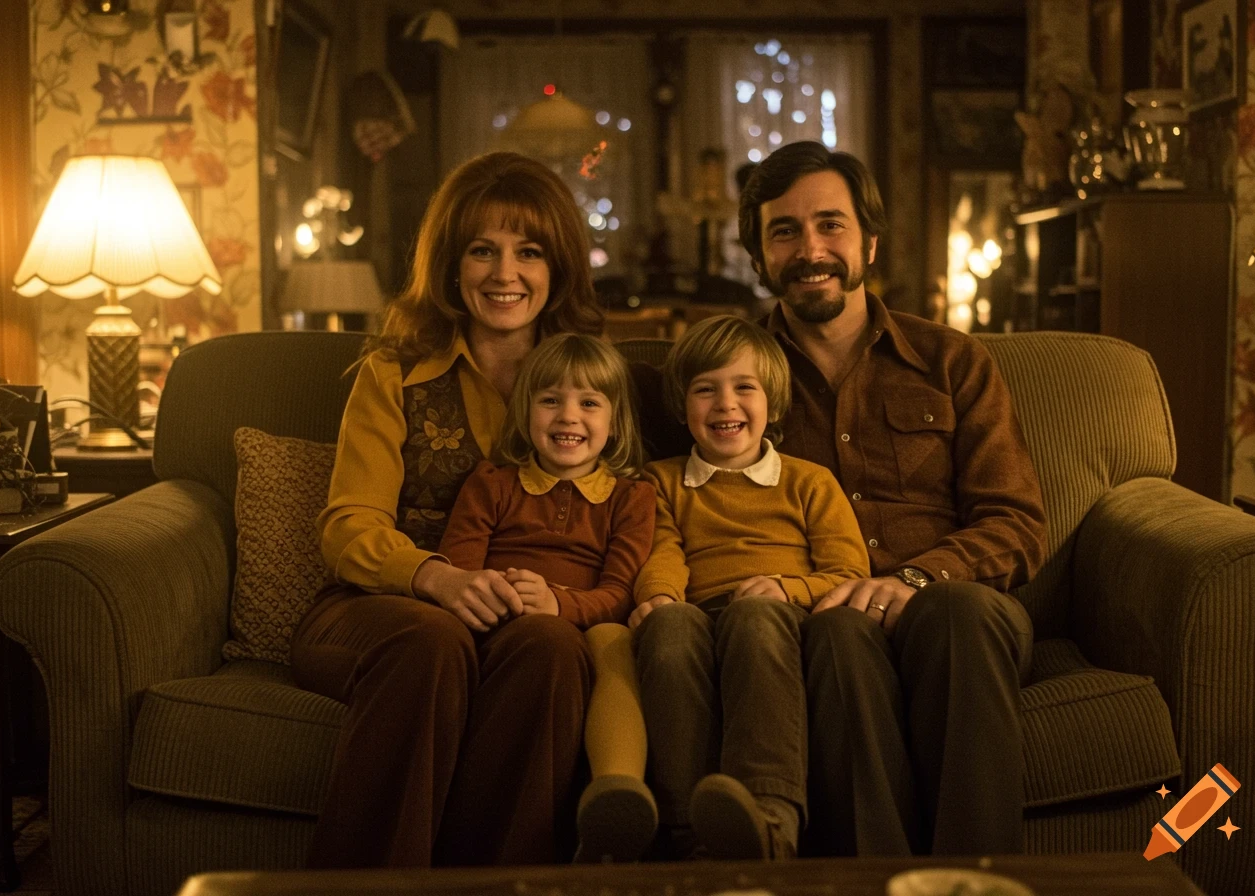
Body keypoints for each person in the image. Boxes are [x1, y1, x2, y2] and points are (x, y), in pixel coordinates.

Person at [289, 151, 605, 869]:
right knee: (433, 641)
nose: (505, 274)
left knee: (554, 650)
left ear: (556, 268)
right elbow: (348, 524)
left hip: (521, 616)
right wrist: (435, 577)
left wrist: (558, 598)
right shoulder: (394, 372)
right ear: (450, 264)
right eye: (482, 251)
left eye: (529, 252)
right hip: (380, 608)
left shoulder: (589, 384)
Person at [736, 140, 1048, 856]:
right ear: (759, 255)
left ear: (869, 243)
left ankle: (978, 878)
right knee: (838, 631)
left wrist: (916, 578)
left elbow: (1017, 521)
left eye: (830, 225)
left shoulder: (952, 360)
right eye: (784, 230)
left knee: (956, 610)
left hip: (952, 608)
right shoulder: (730, 378)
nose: (809, 247)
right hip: (823, 618)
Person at [630, 315, 871, 861]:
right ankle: (689, 830)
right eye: (705, 389)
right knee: (666, 629)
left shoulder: (809, 480)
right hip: (697, 610)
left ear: (775, 404)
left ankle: (768, 821)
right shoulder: (660, 480)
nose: (725, 404)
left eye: (745, 388)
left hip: (778, 617)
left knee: (754, 618)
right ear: (681, 404)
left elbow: (848, 571)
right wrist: (662, 597)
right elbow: (661, 552)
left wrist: (788, 589)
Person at [437, 332, 659, 864]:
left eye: (589, 402)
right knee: (533, 637)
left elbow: (619, 592)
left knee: (614, 638)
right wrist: (503, 593)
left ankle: (616, 795)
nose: (568, 417)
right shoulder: (493, 482)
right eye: (550, 400)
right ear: (525, 410)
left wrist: (559, 602)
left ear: (614, 420)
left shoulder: (632, 495)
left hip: (584, 626)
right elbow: (461, 568)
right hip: (505, 625)